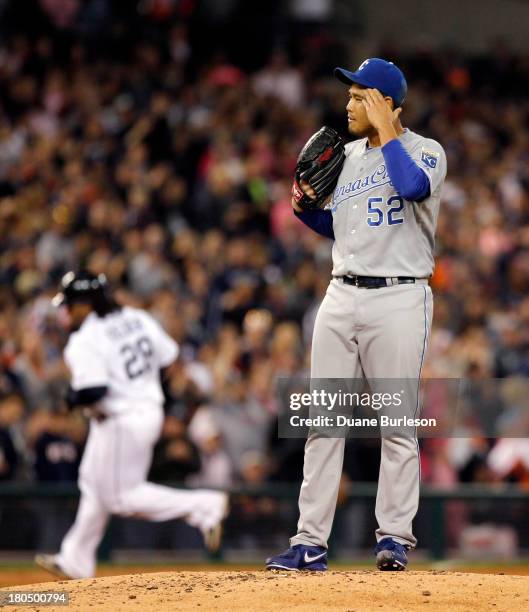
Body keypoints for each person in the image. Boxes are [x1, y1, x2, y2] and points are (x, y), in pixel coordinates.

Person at [266, 58, 447, 571]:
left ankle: (394, 537)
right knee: (324, 421)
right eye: (349, 96)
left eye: (359, 96)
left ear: (386, 103)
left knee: (396, 422)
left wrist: (387, 129)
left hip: (400, 296)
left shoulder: (426, 151)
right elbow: (344, 229)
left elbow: (411, 187)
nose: (347, 105)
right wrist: (306, 212)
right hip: (341, 294)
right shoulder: (343, 156)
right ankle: (309, 542)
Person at [35, 271, 228, 579]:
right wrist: (143, 388)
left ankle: (205, 506)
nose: (66, 311)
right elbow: (169, 358)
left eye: (71, 304)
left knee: (122, 497)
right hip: (142, 411)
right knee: (91, 481)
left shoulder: (85, 339)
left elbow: (94, 390)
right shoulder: (136, 317)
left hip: (122, 419)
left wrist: (71, 398)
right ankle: (75, 559)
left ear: (86, 304)